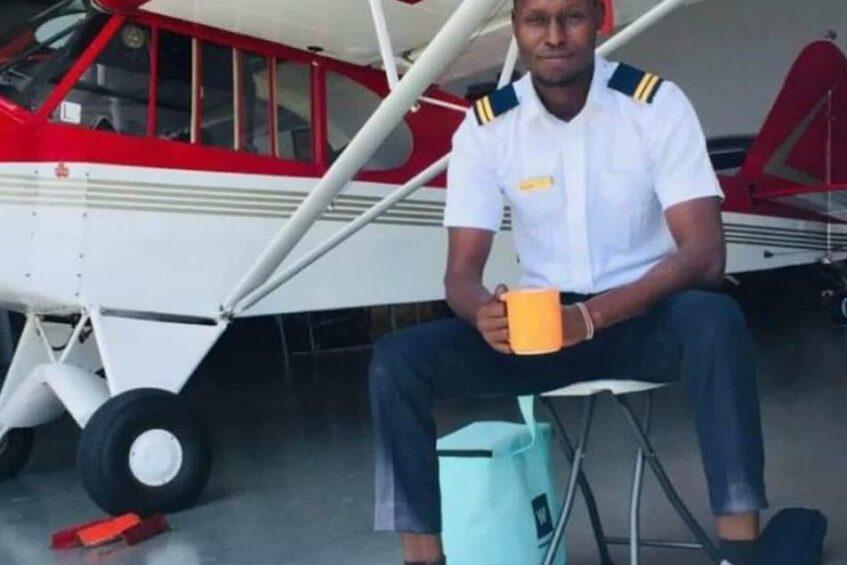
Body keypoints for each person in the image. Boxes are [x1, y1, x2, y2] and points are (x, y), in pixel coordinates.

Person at [368, 1, 767, 563]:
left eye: (571, 17)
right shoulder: (488, 127)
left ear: (600, 20)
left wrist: (591, 318)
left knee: (716, 320)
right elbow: (460, 275)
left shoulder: (654, 104)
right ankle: (424, 558)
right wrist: (482, 311)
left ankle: (740, 551)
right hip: (543, 332)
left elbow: (704, 255)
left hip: (644, 317)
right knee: (396, 361)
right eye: (537, 20)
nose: (554, 35)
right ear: (516, 28)